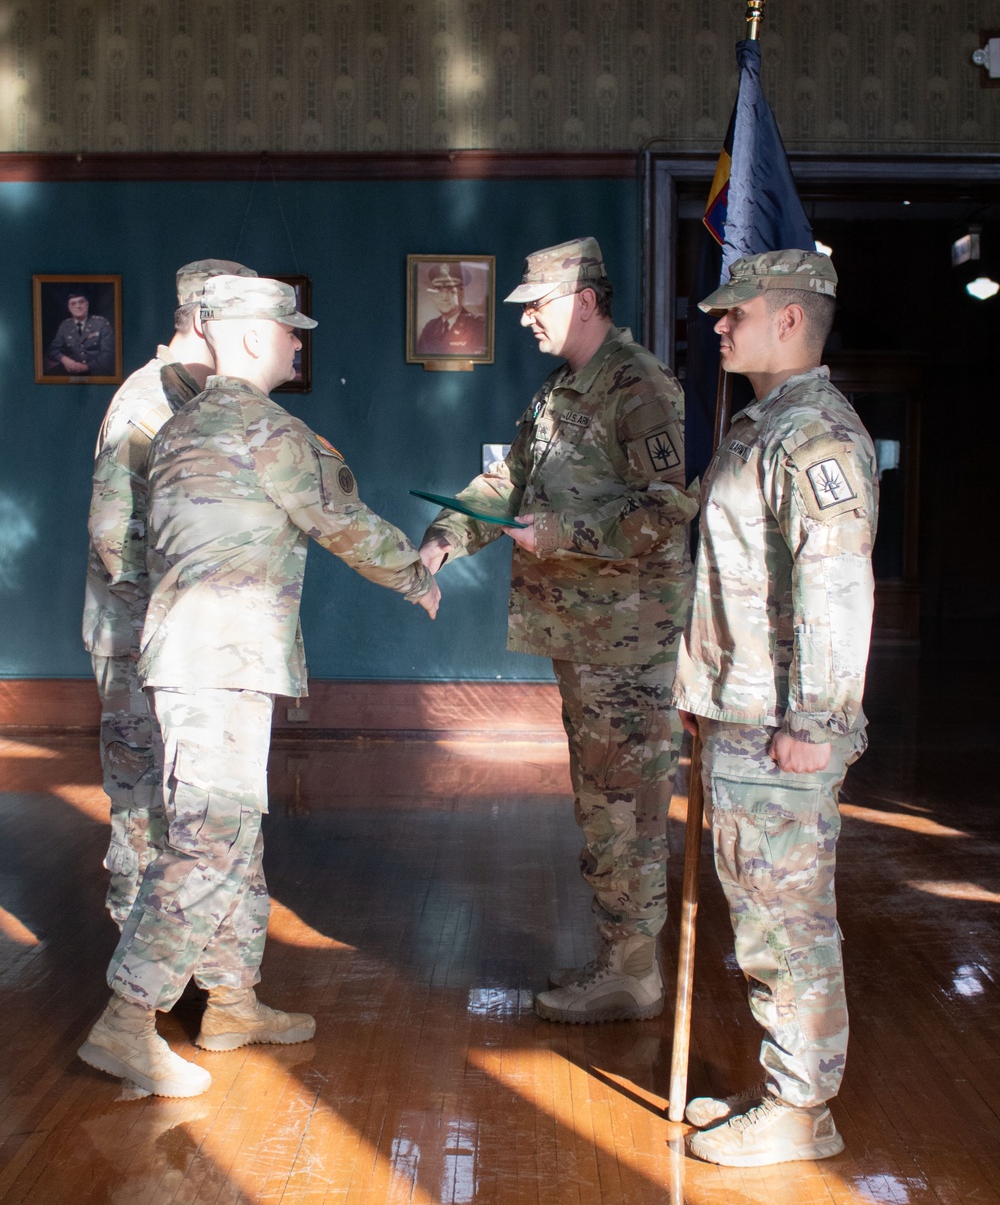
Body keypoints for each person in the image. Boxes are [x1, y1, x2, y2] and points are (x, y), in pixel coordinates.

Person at [78, 276, 441, 1098]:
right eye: (289, 331)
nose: (299, 343)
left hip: (198, 660)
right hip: (221, 664)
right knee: (209, 836)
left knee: (232, 834)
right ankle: (127, 1020)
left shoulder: (184, 425)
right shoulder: (265, 429)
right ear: (248, 338)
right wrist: (415, 575)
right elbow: (342, 521)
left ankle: (231, 1003)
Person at [420, 238, 698, 1023]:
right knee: (603, 802)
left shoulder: (639, 385)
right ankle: (621, 958)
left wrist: (563, 532)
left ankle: (633, 973)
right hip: (587, 638)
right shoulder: (560, 390)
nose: (525, 320)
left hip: (628, 645)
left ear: (583, 301)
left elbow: (667, 507)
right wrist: (447, 536)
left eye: (535, 305)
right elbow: (511, 480)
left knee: (625, 808)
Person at [673, 249, 878, 1168]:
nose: (720, 326)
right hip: (743, 711)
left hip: (780, 726)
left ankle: (801, 1110)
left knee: (787, 921)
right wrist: (706, 690)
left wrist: (816, 723)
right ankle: (785, 1088)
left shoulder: (814, 436)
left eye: (737, 313)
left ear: (790, 319)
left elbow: (836, 584)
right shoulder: (763, 426)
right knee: (761, 914)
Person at [84, 259, 257, 928]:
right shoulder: (147, 404)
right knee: (143, 802)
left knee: (183, 800)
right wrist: (181, 617)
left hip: (174, 638)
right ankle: (137, 967)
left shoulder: (194, 400)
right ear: (208, 323)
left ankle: (181, 957)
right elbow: (114, 538)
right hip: (140, 638)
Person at [416, 263, 487, 356]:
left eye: (451, 290)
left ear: (461, 293)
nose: (444, 297)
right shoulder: (430, 327)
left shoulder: (478, 327)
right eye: (438, 290)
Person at [46, 291, 115, 375]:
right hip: (73, 372)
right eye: (73, 303)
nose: (78, 306)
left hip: (97, 373)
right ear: (69, 308)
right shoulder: (65, 325)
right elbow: (52, 350)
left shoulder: (101, 323)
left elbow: (108, 354)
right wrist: (64, 359)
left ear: (87, 304)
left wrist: (87, 367)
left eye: (81, 302)